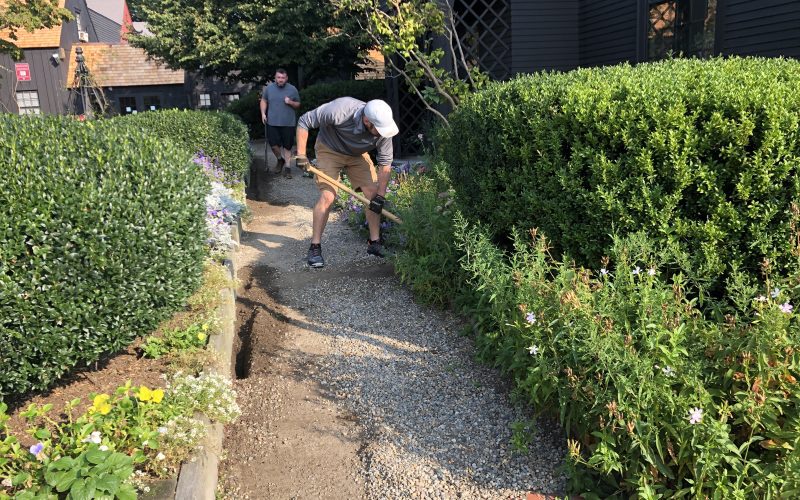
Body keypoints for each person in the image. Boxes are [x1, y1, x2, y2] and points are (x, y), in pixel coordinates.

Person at [294, 97, 398, 268]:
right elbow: (304, 120)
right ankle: (315, 247)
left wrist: (380, 196)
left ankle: (375, 243)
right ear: (367, 121)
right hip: (330, 149)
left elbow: (385, 165)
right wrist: (301, 154)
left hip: (357, 154)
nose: (381, 133)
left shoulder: (384, 129)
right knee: (328, 196)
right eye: (378, 130)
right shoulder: (340, 111)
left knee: (373, 195)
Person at [260, 68, 300, 178]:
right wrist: (263, 113)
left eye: (283, 77)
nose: (281, 79)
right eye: (278, 77)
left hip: (288, 123)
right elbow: (264, 100)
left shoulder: (292, 89)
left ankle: (288, 168)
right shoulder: (269, 89)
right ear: (275, 78)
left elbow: (298, 104)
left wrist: (290, 102)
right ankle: (280, 159)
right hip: (272, 122)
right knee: (273, 145)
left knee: (287, 147)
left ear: (286, 78)